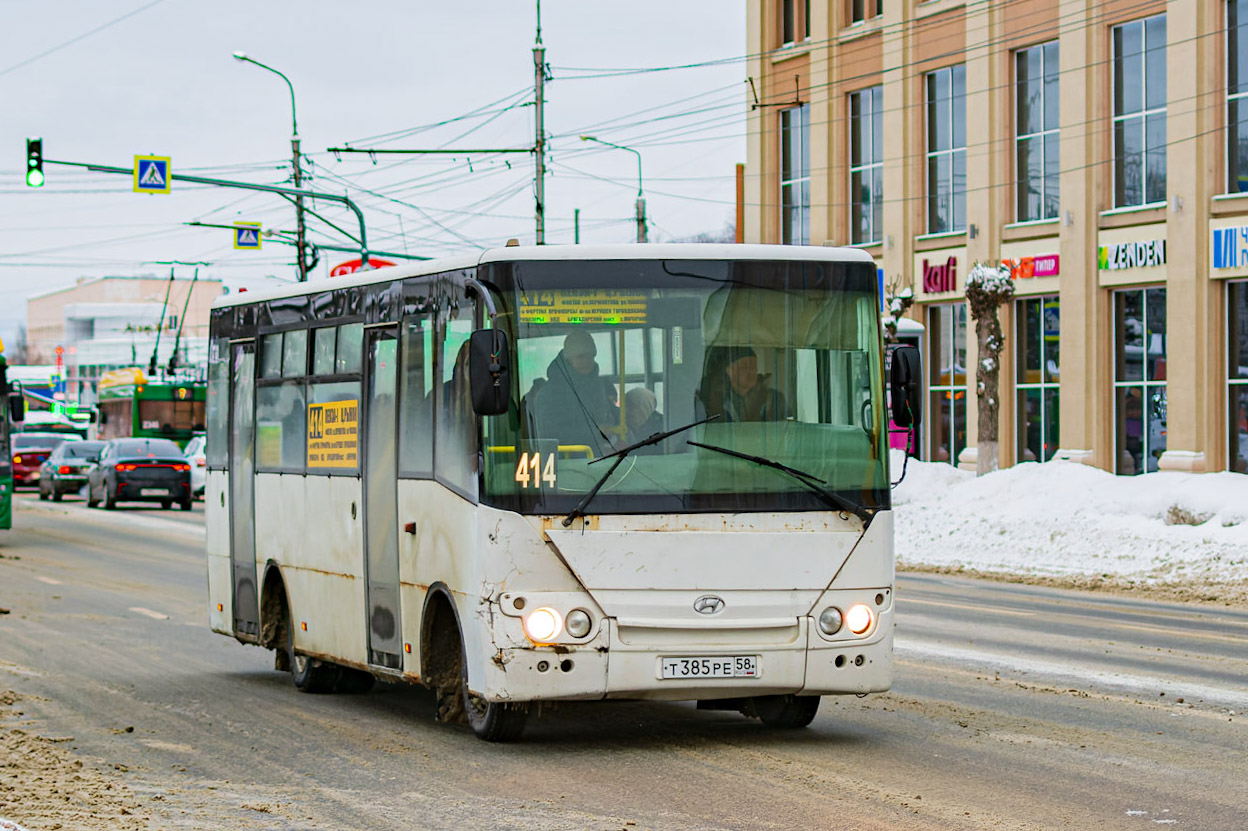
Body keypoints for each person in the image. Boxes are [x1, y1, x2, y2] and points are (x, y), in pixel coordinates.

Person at [531, 331, 617, 453]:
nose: (586, 361)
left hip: (600, 459)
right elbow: (550, 433)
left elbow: (608, 415)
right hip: (565, 461)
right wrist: (595, 432)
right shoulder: (549, 393)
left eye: (590, 356)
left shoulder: (598, 386)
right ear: (568, 358)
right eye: (580, 357)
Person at [699, 346, 787, 422]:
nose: (750, 372)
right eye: (744, 367)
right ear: (729, 371)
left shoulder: (773, 399)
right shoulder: (718, 398)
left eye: (753, 367)